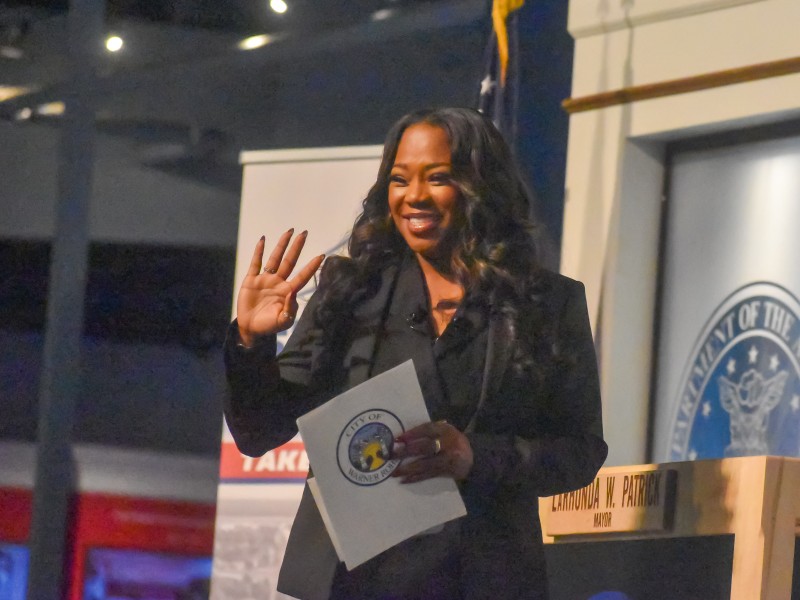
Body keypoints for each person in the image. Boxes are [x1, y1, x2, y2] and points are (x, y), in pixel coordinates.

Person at [223, 107, 607, 599]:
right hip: (355, 581)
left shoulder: (548, 303)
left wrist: (476, 458)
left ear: (480, 186)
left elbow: (579, 452)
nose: (414, 196)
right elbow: (258, 433)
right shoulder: (349, 292)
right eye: (400, 179)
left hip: (483, 580)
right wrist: (251, 344)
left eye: (439, 177)